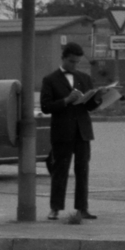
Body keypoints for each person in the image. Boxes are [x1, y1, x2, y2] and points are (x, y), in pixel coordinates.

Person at [40, 42, 103, 221]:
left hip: (82, 131)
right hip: (62, 131)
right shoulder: (50, 79)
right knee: (60, 170)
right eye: (71, 61)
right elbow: (46, 107)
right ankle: (55, 208)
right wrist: (66, 100)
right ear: (63, 58)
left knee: (82, 170)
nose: (74, 65)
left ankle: (82, 208)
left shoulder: (84, 77)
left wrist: (98, 98)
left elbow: (89, 106)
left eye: (77, 62)